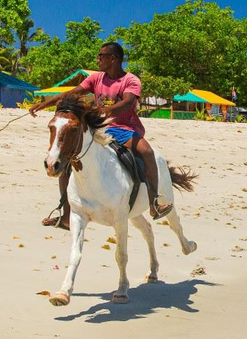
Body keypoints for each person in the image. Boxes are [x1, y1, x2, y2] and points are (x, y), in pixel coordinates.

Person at [30, 42, 172, 229]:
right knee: (67, 158)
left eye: (101, 56)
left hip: (125, 129)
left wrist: (103, 111)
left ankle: (154, 204)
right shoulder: (96, 78)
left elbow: (128, 103)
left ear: (113, 59)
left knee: (146, 152)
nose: (97, 59)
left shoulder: (131, 80)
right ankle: (66, 216)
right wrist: (45, 104)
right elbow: (71, 94)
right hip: (99, 128)